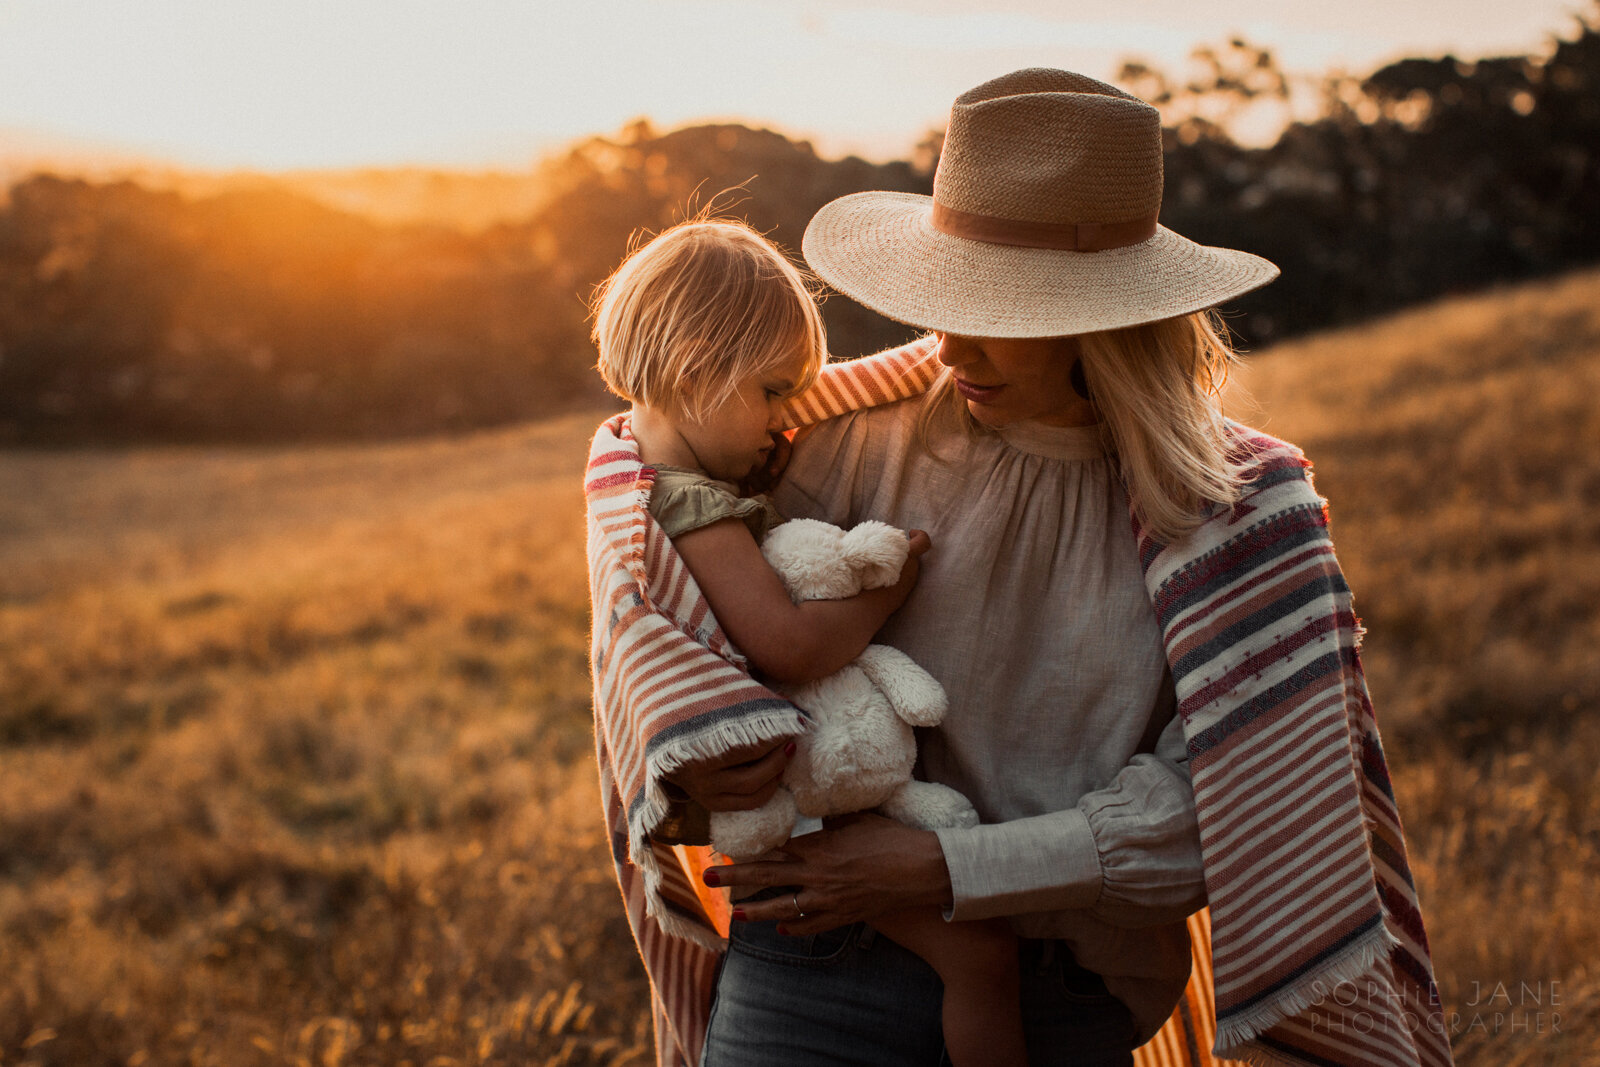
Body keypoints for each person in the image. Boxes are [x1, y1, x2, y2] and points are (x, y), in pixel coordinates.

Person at [587, 69, 1449, 1067]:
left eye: (998, 310)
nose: (946, 346)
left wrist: (950, 866)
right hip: (805, 961)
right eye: (943, 297)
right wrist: (693, 749)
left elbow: (1230, 818)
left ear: (1104, 316)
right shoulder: (846, 443)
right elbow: (664, 543)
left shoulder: (1239, 516)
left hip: (1054, 992)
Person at [588, 218, 1030, 1066]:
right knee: (982, 956)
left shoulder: (650, 463)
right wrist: (889, 589)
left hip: (786, 805)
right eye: (774, 392)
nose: (789, 420)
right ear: (693, 373)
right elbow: (788, 645)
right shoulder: (688, 502)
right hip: (784, 810)